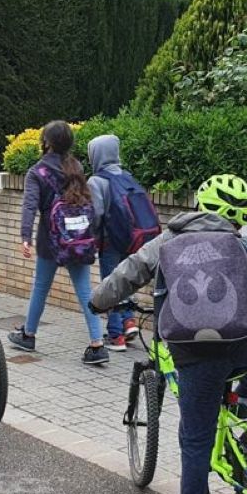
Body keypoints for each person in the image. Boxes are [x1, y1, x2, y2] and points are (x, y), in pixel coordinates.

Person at [91, 173, 247, 494]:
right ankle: (245, 399)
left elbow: (128, 273)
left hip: (196, 357)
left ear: (199, 204)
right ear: (238, 218)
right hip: (244, 348)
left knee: (195, 438)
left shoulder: (167, 242)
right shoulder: (244, 245)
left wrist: (98, 302)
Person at [7, 121, 109, 366]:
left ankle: (28, 335)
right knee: (85, 290)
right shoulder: (76, 166)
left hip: (49, 240)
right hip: (79, 238)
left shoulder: (37, 172)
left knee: (41, 287)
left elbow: (30, 206)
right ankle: (97, 344)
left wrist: (25, 238)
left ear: (47, 143)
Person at [87, 134, 159, 352]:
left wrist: (92, 237)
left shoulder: (96, 181)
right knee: (126, 279)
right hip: (133, 238)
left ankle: (116, 335)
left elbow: (97, 214)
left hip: (110, 241)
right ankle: (129, 322)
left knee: (111, 283)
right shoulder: (127, 176)